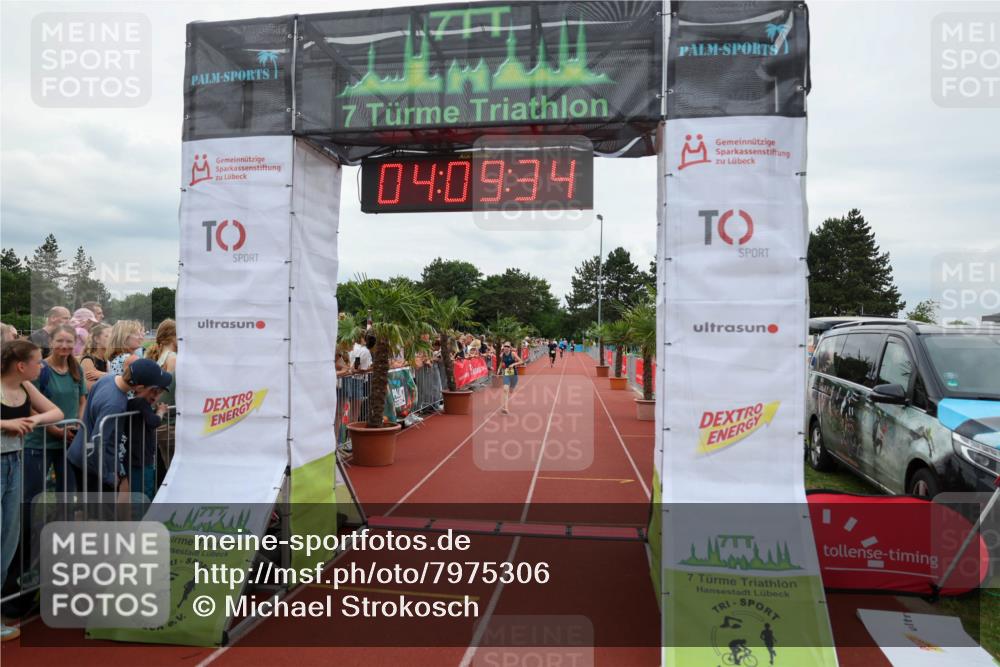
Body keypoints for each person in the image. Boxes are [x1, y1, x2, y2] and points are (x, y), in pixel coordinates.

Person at [1, 340, 63, 642]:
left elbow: (56, 412)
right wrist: (6, 423)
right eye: (38, 361)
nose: (42, 366)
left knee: (9, 540)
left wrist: (33, 419)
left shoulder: (26, 388)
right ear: (20, 365)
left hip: (15, 464)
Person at [66, 359, 171, 496]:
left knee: (87, 509)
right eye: (153, 390)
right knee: (99, 514)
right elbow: (98, 443)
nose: (157, 394)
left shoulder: (108, 379)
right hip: (94, 465)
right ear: (139, 387)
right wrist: (108, 477)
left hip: (81, 455)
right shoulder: (114, 404)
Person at [80, 322, 111, 391]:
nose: (111, 339)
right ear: (97, 339)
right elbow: (92, 389)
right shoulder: (88, 360)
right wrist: (108, 376)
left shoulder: (107, 359)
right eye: (107, 336)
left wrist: (103, 375)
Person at [496, 342, 523, 414]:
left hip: (514, 374)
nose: (506, 348)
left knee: (511, 391)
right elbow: (501, 363)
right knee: (505, 390)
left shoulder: (513, 354)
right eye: (505, 346)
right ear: (503, 347)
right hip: (507, 373)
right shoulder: (502, 355)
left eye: (508, 346)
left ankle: (512, 388)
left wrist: (513, 364)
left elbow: (521, 361)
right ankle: (505, 408)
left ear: (510, 348)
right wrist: (498, 370)